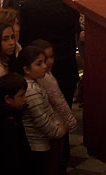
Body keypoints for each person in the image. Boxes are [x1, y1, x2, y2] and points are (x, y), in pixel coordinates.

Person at [19, 0, 80, 106]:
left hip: (38, 68)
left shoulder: (28, 7)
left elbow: (24, 39)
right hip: (66, 67)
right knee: (65, 108)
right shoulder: (70, 7)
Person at [16, 46, 67, 175]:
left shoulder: (34, 84)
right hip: (38, 145)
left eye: (44, 62)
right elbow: (42, 121)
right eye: (39, 64)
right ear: (26, 69)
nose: (45, 66)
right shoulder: (31, 91)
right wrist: (60, 131)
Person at [0, 73, 32, 173]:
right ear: (8, 99)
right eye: (21, 96)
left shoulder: (12, 113)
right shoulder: (7, 125)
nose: (25, 99)